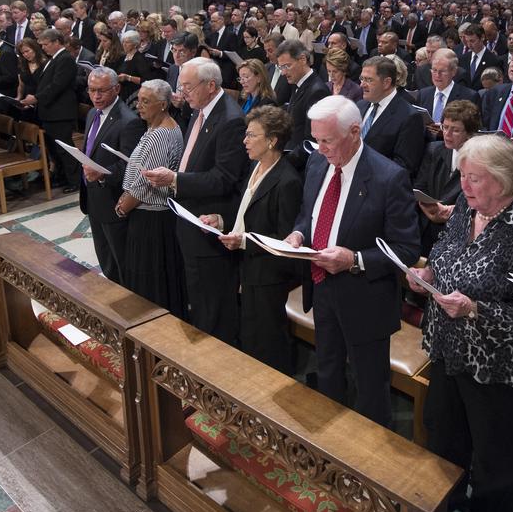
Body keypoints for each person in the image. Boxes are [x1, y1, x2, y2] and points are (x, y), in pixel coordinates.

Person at [408, 134, 513, 512]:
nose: (464, 186)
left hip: (497, 367)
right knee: (444, 438)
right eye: (463, 176)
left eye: (474, 178)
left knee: (494, 458)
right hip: (449, 350)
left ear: (503, 181)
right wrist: (427, 277)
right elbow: (442, 255)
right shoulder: (465, 213)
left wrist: (475, 309)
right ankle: (443, 510)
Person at [281, 96, 419, 426]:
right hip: (322, 287)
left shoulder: (389, 178)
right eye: (316, 139)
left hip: (365, 299)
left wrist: (355, 260)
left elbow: (406, 248)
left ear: (355, 131)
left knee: (370, 389)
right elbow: (308, 214)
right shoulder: (317, 163)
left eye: (327, 140)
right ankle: (333, 451)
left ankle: (370, 463)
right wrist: (299, 234)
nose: (320, 147)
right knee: (328, 373)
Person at [142, 58, 249, 340]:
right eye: (180, 85)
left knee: (214, 305)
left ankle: (218, 364)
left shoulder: (231, 120)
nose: (182, 92)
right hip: (189, 218)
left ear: (211, 85)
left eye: (187, 86)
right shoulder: (199, 110)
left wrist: (175, 179)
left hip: (209, 224)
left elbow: (224, 178)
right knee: (199, 298)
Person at [199, 105, 304, 374]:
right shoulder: (255, 167)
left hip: (268, 274)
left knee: (268, 341)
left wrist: (243, 241)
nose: (244, 141)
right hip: (247, 267)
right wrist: (221, 221)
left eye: (251, 135)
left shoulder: (287, 181)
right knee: (250, 336)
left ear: (272, 140)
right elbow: (247, 212)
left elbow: (284, 240)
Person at [115, 79, 185, 313]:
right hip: (150, 216)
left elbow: (147, 181)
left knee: (150, 286)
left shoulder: (160, 136)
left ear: (163, 104)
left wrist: (124, 205)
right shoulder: (156, 128)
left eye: (146, 101)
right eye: (138, 100)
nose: (139, 106)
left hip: (151, 220)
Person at [78, 67, 146, 282]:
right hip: (94, 198)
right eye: (91, 90)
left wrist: (102, 174)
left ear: (116, 89)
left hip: (113, 200)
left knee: (121, 262)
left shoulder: (129, 121)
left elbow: (130, 165)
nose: (96, 96)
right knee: (106, 259)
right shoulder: (92, 113)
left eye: (102, 91)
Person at [414, 100, 480, 253]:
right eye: (445, 127)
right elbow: (420, 187)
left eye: (455, 130)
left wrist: (451, 212)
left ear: (470, 133)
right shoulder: (433, 149)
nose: (447, 134)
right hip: (426, 231)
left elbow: (481, 205)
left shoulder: (479, 160)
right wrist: (427, 207)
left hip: (459, 237)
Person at [22, 30, 80, 193]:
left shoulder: (65, 59)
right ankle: (63, 177)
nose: (44, 48)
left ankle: (75, 181)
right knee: (55, 149)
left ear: (56, 42)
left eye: (46, 45)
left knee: (65, 148)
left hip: (61, 112)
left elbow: (57, 85)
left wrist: (36, 98)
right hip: (50, 112)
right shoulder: (52, 59)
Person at [357, 55, 427, 176]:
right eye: (362, 78)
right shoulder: (360, 106)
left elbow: (404, 166)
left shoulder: (409, 117)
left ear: (386, 83)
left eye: (369, 80)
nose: (362, 85)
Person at [275, 38, 330, 166]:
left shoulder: (317, 91)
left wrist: (282, 163)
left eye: (287, 66)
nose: (283, 73)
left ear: (303, 59)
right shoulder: (297, 83)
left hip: (301, 164)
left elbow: (311, 142)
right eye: (281, 67)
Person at [117, 29, 160, 102]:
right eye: (123, 42)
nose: (124, 44)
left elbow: (146, 80)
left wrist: (128, 78)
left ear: (135, 44)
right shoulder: (123, 57)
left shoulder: (139, 59)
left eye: (127, 42)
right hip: (122, 93)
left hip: (133, 95)